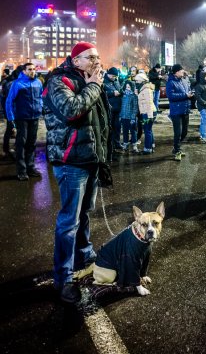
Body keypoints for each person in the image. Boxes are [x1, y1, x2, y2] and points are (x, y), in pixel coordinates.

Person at [42, 41, 111, 303]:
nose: (96, 60)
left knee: (85, 212)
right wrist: (94, 85)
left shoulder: (89, 79)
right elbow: (72, 111)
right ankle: (63, 276)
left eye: (98, 55)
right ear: (75, 60)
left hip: (90, 159)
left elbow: (101, 121)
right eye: (90, 56)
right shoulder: (58, 82)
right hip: (71, 161)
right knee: (69, 220)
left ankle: (84, 252)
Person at [5, 63, 43, 180]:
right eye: (29, 69)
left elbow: (41, 97)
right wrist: (11, 119)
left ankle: (30, 167)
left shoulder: (38, 82)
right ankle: (21, 171)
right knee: (21, 144)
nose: (32, 71)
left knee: (32, 143)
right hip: (21, 118)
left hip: (34, 118)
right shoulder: (17, 84)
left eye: (34, 69)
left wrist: (40, 108)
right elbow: (9, 102)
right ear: (24, 71)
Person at [166, 64, 194, 161]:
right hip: (176, 111)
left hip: (185, 110)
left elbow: (188, 91)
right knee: (178, 132)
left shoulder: (184, 80)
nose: (183, 72)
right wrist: (185, 95)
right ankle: (177, 150)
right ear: (176, 72)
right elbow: (171, 96)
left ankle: (176, 147)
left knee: (184, 132)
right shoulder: (170, 82)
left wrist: (190, 93)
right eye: (181, 71)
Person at [103, 67, 123, 159]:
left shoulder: (116, 81)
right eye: (113, 76)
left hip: (118, 108)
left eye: (116, 76)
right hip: (110, 108)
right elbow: (101, 94)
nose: (114, 77)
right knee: (110, 128)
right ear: (108, 74)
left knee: (117, 127)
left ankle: (117, 143)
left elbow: (119, 89)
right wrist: (111, 93)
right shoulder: (103, 81)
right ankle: (110, 147)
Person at [134, 72, 156, 154]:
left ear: (142, 80)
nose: (136, 82)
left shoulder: (146, 89)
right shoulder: (143, 88)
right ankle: (151, 145)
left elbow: (149, 102)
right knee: (149, 130)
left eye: (137, 81)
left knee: (147, 130)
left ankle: (147, 149)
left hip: (148, 112)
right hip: (146, 112)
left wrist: (149, 116)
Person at [120, 79, 139, 153]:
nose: (127, 88)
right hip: (124, 116)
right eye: (127, 87)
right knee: (125, 131)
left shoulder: (134, 96)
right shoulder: (124, 95)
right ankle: (125, 144)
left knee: (133, 131)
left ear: (132, 87)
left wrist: (133, 118)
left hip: (131, 117)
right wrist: (120, 115)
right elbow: (122, 106)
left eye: (129, 87)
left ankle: (134, 145)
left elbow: (135, 108)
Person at [195, 70, 206, 143]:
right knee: (205, 122)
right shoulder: (199, 86)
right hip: (203, 106)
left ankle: (202, 136)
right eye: (205, 76)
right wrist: (205, 103)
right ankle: (205, 136)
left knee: (204, 121)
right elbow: (198, 97)